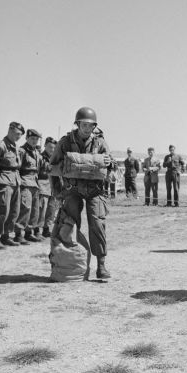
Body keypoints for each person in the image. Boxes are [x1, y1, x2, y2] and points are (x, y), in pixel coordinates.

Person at [49, 107, 116, 279]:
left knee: (98, 224)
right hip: (73, 190)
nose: (87, 128)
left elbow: (112, 167)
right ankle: (66, 264)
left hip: (95, 191)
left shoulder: (100, 143)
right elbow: (53, 168)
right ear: (77, 124)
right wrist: (57, 192)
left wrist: (109, 163)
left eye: (91, 125)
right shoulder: (64, 142)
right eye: (84, 124)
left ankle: (101, 265)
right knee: (68, 224)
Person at [0, 121, 25, 249]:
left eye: (20, 135)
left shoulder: (16, 147)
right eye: (17, 134)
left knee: (13, 211)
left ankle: (5, 236)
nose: (18, 137)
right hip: (3, 181)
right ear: (10, 130)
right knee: (1, 211)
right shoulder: (0, 146)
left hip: (15, 181)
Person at [14, 129, 44, 243]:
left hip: (35, 183)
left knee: (34, 210)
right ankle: (18, 234)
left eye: (36, 139)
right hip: (25, 182)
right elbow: (17, 168)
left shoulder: (37, 152)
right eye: (32, 139)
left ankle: (28, 232)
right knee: (25, 208)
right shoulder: (22, 151)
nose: (34, 141)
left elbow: (40, 169)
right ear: (27, 138)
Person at [36, 137, 60, 238]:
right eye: (50, 147)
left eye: (54, 148)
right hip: (43, 185)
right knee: (41, 209)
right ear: (45, 146)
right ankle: (36, 230)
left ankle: (46, 229)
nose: (52, 149)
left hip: (53, 186)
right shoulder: (40, 157)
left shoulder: (56, 159)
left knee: (51, 209)